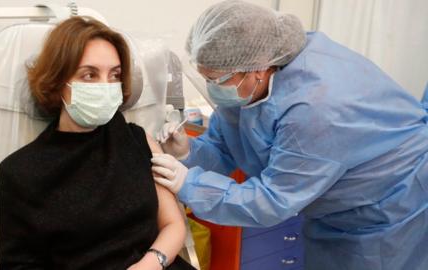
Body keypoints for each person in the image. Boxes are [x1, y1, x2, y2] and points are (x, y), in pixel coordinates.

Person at [151, 1, 428, 269]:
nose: (213, 88)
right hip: (332, 209)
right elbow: (226, 147)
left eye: (217, 80)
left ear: (257, 68)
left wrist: (190, 185)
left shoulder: (315, 108)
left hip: (388, 208)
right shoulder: (254, 78)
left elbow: (271, 200)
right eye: (206, 78)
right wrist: (187, 152)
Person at [0, 16, 195, 270]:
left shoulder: (136, 139)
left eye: (115, 75)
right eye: (89, 75)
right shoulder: (21, 173)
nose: (106, 86)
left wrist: (151, 263)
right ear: (57, 82)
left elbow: (173, 224)